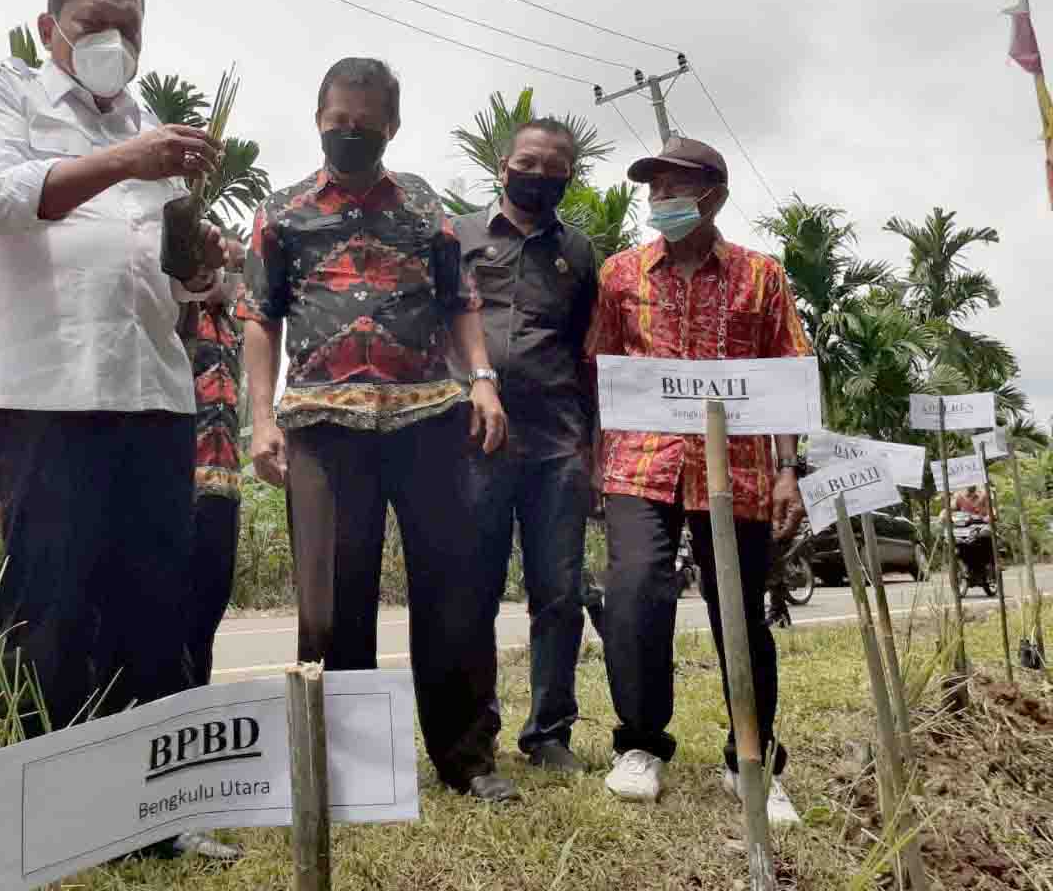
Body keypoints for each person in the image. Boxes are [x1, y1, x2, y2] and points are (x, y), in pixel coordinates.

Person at [0, 0, 233, 862]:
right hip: (46, 395)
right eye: (94, 21)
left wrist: (204, 264)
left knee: (152, 607)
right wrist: (125, 163)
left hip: (151, 391)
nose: (114, 41)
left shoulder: (158, 133)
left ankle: (152, 823)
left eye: (130, 26)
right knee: (51, 610)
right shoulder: (2, 92)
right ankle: (45, 826)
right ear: (50, 27)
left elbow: (175, 285)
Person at [239, 57, 511, 801]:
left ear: (391, 127)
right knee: (331, 602)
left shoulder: (426, 207)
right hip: (322, 429)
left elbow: (461, 300)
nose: (350, 134)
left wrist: (481, 381)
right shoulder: (282, 210)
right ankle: (349, 772)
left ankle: (468, 761)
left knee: (452, 593)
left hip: (429, 419)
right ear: (318, 119)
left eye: (365, 124)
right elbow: (260, 319)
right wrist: (261, 420)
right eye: (338, 122)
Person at [585, 136, 809, 828]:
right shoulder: (620, 275)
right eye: (652, 189)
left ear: (712, 194)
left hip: (737, 469)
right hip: (639, 462)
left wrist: (788, 470)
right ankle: (641, 744)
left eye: (671, 187)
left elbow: (788, 376)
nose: (658, 201)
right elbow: (599, 366)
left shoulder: (761, 277)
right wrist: (593, 461)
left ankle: (751, 756)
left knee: (740, 610)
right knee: (636, 592)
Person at [453, 117, 599, 776]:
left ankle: (548, 732)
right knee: (472, 590)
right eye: (528, 162)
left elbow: (591, 353)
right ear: (503, 164)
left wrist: (594, 448)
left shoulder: (581, 252)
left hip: (557, 444)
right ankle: (474, 729)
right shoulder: (458, 236)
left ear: (569, 176)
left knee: (558, 591)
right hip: (473, 440)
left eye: (553, 166)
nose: (537, 174)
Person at [180, 237, 246, 686]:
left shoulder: (237, 328)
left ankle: (197, 702)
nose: (238, 279)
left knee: (208, 609)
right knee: (171, 612)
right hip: (179, 483)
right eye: (231, 267)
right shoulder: (180, 319)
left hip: (226, 486)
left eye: (243, 269)